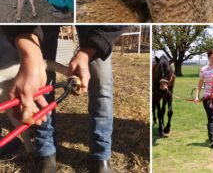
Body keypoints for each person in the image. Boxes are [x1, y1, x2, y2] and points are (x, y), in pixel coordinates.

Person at [2, 25, 124, 173]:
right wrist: (31, 55)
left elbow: (110, 26)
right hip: (38, 26)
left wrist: (87, 52)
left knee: (102, 83)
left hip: (97, 27)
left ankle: (100, 155)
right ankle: (46, 151)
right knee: (41, 83)